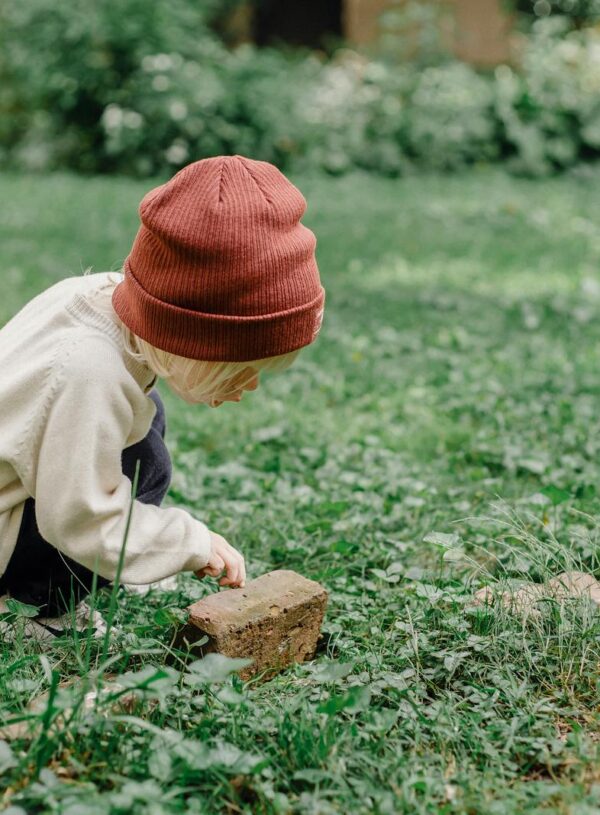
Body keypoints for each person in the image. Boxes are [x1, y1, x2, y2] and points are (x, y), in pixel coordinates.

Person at [0, 154, 325, 638]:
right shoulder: (87, 373)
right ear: (192, 337)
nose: (250, 386)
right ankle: (38, 610)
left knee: (142, 430)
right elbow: (81, 520)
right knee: (144, 462)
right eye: (240, 370)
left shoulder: (103, 302)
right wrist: (188, 542)